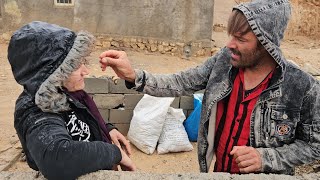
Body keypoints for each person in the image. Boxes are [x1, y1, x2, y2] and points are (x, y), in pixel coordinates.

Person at [99, 0, 320, 175]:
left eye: (241, 39)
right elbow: (181, 82)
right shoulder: (224, 62)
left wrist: (266, 158)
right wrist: (133, 75)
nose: (229, 44)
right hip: (219, 173)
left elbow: (315, 146)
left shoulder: (302, 87)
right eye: (230, 35)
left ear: (266, 44)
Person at [7, 21, 136, 180]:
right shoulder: (35, 109)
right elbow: (57, 158)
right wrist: (114, 153)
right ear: (51, 72)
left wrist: (107, 129)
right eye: (74, 66)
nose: (86, 71)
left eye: (82, 62)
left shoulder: (65, 91)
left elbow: (83, 116)